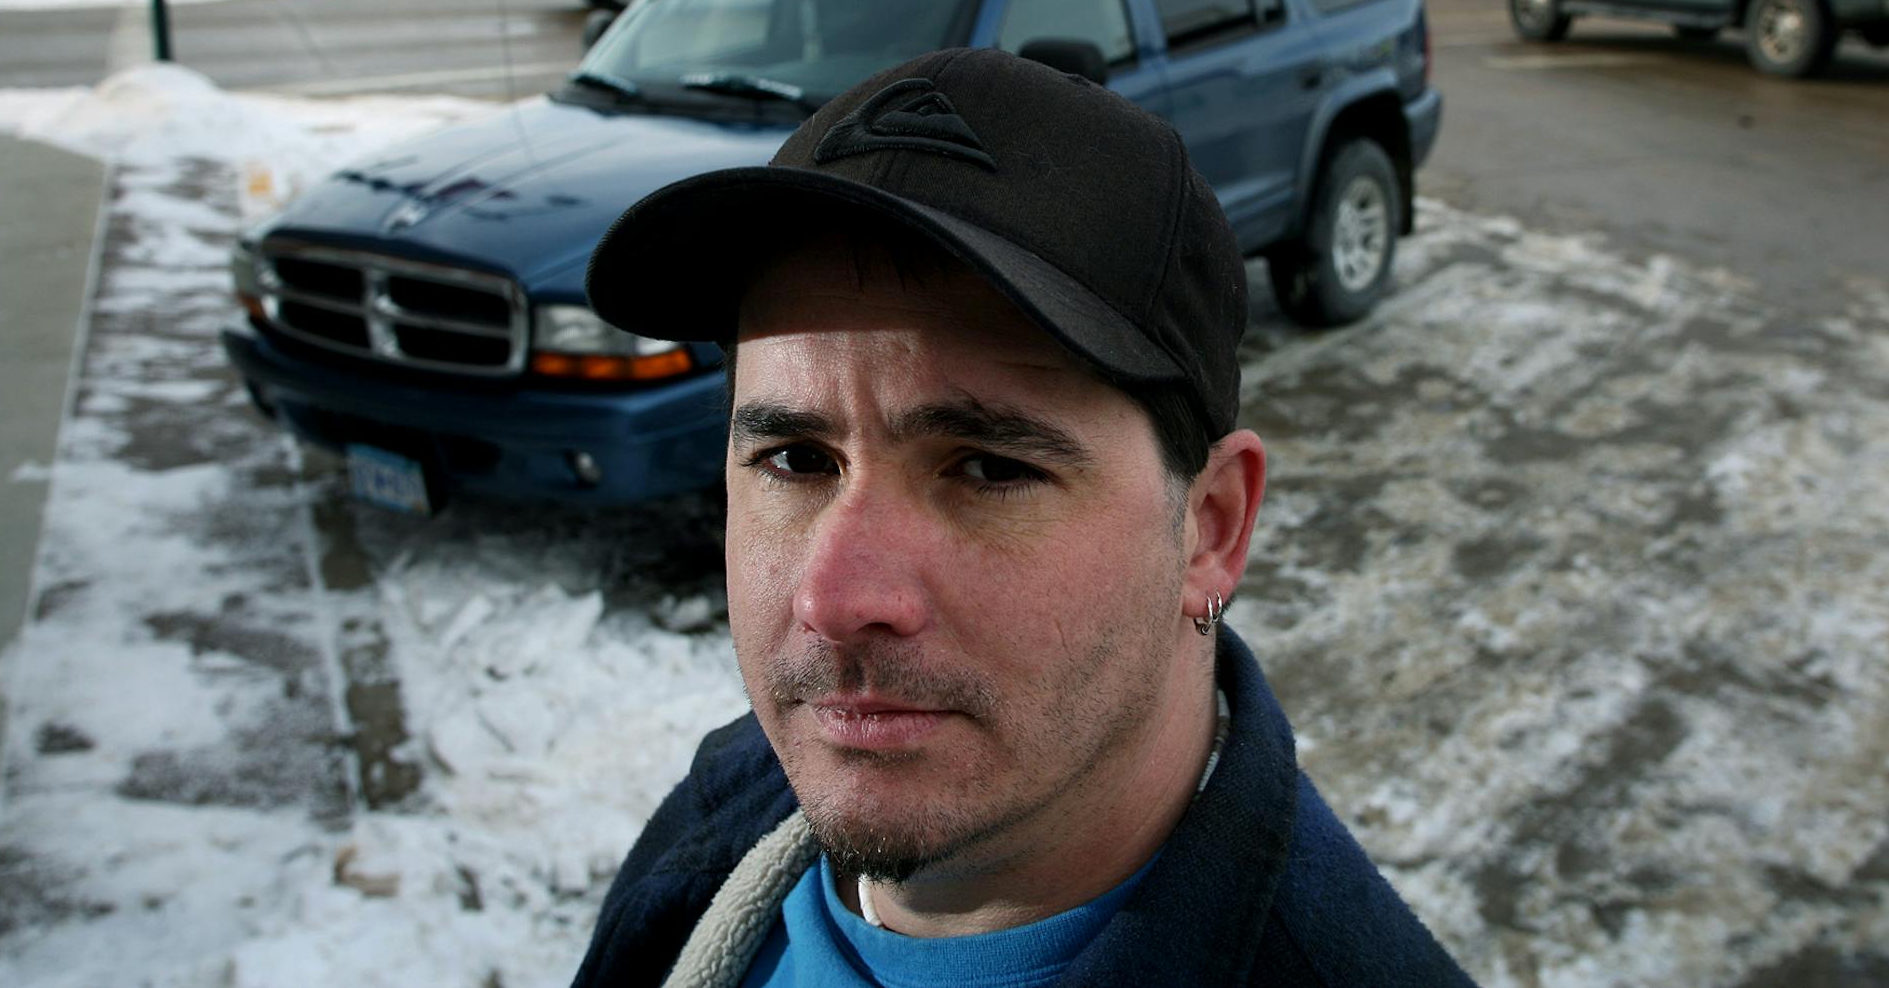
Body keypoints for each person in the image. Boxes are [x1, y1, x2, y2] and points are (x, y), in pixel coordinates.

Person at [577, 48, 1476, 987]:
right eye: (796, 460)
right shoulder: (727, 803)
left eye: (986, 469)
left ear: (1209, 529)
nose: (833, 597)